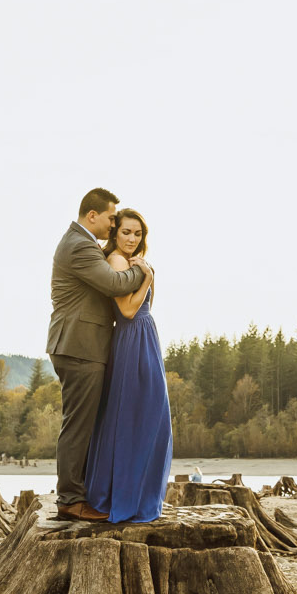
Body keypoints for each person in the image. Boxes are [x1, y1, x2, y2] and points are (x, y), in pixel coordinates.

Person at [48, 188, 148, 523]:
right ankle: (71, 501)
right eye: (111, 218)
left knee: (85, 423)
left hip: (82, 345)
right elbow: (115, 283)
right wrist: (144, 272)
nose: (114, 224)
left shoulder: (81, 243)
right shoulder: (78, 245)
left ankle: (82, 495)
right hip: (79, 346)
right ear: (93, 215)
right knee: (78, 425)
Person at [83, 209, 172, 524]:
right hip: (132, 338)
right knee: (141, 416)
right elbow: (128, 309)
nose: (132, 239)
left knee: (147, 417)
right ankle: (127, 498)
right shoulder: (117, 262)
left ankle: (137, 495)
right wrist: (147, 277)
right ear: (115, 234)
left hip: (143, 337)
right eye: (126, 233)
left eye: (137, 234)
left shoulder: (131, 261)